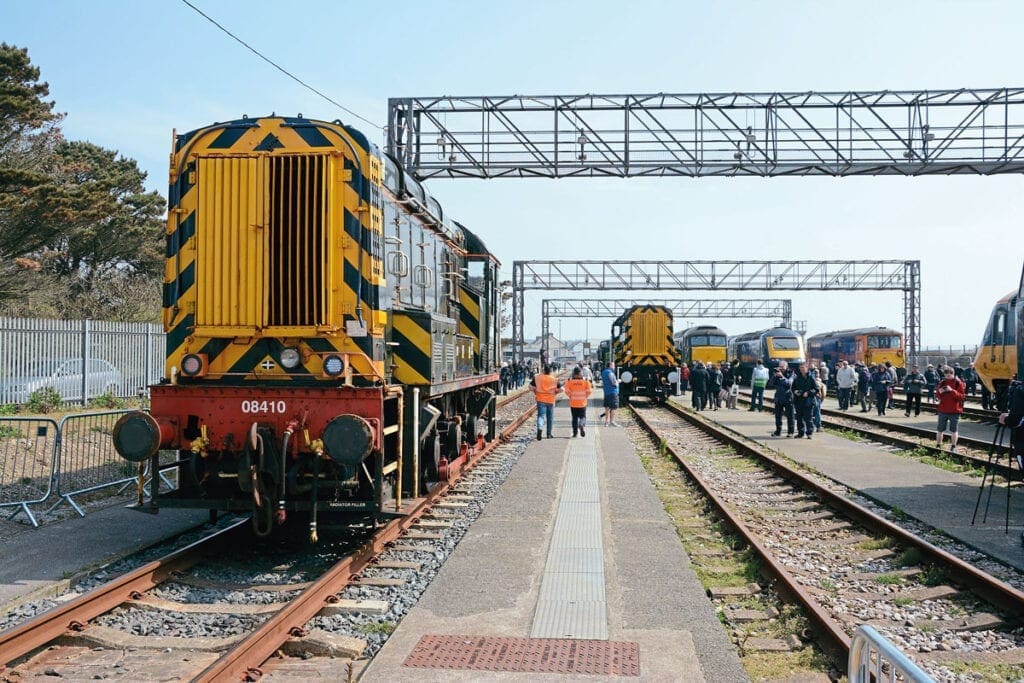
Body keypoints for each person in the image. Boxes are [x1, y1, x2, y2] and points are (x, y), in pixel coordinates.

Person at [935, 366, 966, 452]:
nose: (948, 375)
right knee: (940, 429)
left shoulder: (958, 383)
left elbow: (962, 397)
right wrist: (941, 391)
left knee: (954, 430)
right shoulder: (942, 383)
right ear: (944, 374)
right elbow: (938, 395)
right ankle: (938, 445)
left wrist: (952, 390)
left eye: (950, 374)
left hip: (954, 410)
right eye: (946, 374)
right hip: (943, 409)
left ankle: (953, 446)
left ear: (953, 374)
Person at [530, 364, 563, 440]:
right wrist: (556, 392)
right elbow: (562, 389)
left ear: (543, 370)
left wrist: (535, 391)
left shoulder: (537, 377)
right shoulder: (554, 379)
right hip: (550, 400)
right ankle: (549, 434)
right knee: (550, 417)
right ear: (550, 371)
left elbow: (530, 386)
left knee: (541, 416)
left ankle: (540, 427)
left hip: (540, 399)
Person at [564, 366, 593, 437]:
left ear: (573, 373)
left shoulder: (569, 381)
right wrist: (585, 396)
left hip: (573, 403)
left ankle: (575, 433)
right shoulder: (585, 381)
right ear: (581, 373)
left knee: (574, 418)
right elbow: (589, 391)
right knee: (583, 417)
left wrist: (571, 396)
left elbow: (566, 391)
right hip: (582, 403)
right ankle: (581, 424)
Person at [792, 363, 819, 439]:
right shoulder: (797, 377)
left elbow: (816, 389)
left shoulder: (811, 377)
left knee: (808, 418)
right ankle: (800, 433)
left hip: (808, 401)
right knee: (799, 418)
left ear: (807, 368)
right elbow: (793, 387)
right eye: (800, 368)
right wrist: (795, 391)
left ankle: (809, 433)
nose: (802, 369)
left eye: (803, 367)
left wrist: (809, 393)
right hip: (798, 400)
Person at [769, 362, 795, 437]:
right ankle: (778, 431)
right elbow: (771, 383)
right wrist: (775, 376)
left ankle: (790, 432)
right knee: (778, 416)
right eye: (779, 366)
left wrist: (782, 377)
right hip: (778, 397)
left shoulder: (791, 373)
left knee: (790, 416)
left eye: (782, 366)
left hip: (788, 397)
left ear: (786, 367)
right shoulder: (777, 373)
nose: (781, 368)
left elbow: (789, 383)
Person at [601, 361, 620, 426]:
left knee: (607, 407)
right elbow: (614, 383)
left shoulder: (604, 372)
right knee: (613, 408)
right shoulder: (610, 373)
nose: (614, 367)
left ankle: (606, 422)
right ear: (610, 366)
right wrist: (618, 381)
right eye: (613, 365)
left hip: (606, 392)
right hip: (613, 392)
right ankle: (611, 421)